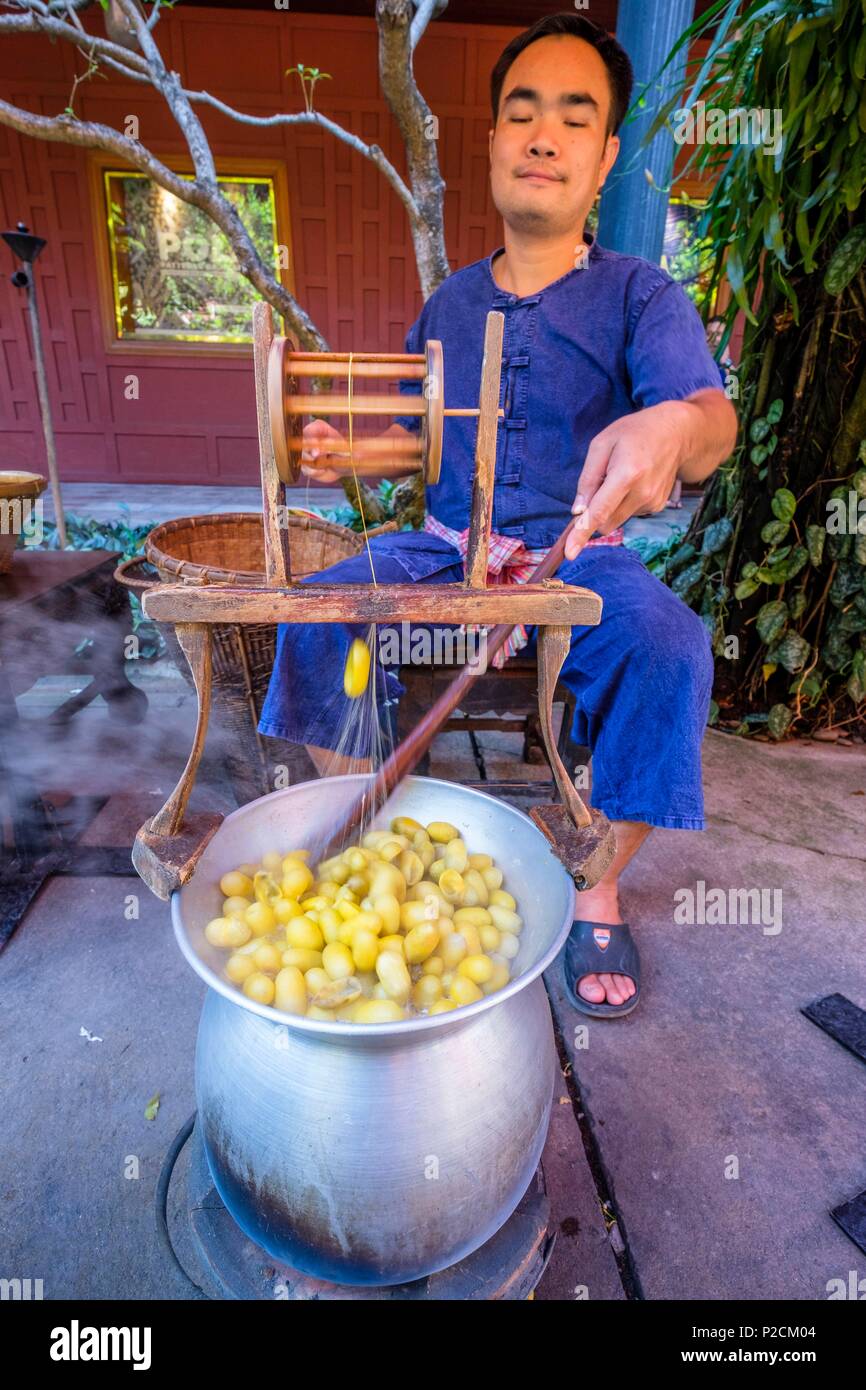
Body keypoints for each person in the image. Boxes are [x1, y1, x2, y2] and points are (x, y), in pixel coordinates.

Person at [259, 11, 738, 1017]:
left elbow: (705, 418)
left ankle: (594, 872)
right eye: (520, 112)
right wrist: (339, 451)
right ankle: (375, 828)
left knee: (668, 647)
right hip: (440, 553)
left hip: (578, 556)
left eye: (574, 116)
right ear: (489, 143)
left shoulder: (641, 297)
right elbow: (410, 439)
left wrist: (668, 433)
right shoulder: (446, 306)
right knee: (313, 617)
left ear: (605, 156)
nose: (542, 135)